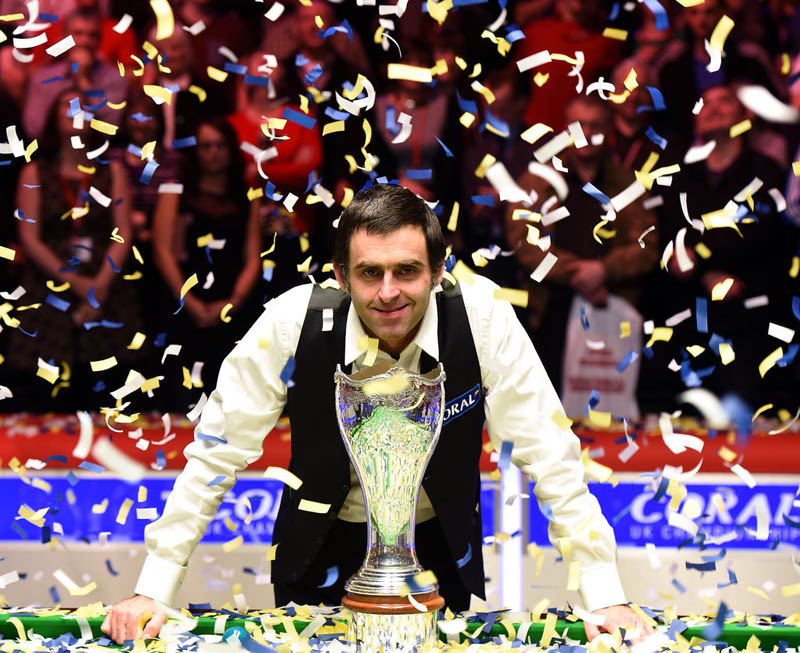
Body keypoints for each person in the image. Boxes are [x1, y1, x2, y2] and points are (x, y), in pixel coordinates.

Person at [102, 183, 653, 644]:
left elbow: (550, 456)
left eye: (407, 271)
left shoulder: (484, 318)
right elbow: (215, 456)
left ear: (439, 271)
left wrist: (605, 595)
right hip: (316, 548)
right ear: (341, 276)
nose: (388, 292)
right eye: (370, 273)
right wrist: (154, 587)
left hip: (438, 553)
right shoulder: (291, 321)